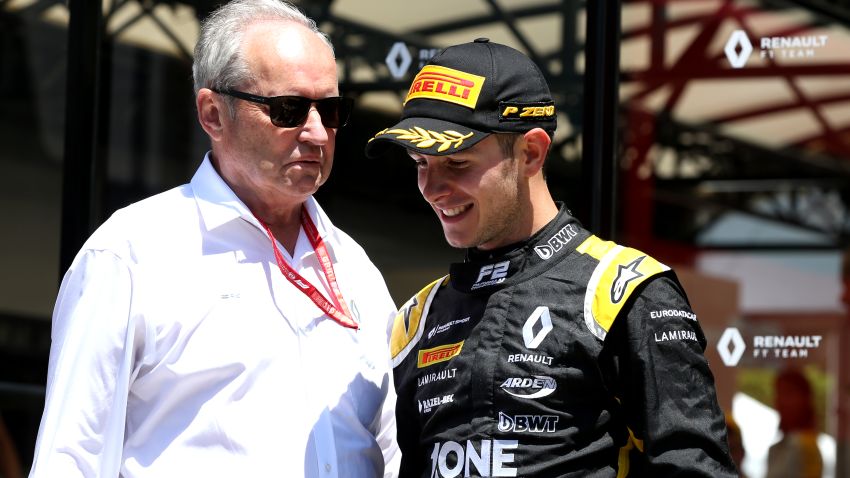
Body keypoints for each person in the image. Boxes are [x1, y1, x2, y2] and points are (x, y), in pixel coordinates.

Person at [29, 1, 398, 476]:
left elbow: (391, 449)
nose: (316, 133)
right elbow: (71, 458)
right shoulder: (131, 253)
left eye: (330, 110)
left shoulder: (357, 270)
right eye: (288, 109)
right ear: (213, 114)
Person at [365, 38, 737, 477]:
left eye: (457, 163)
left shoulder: (621, 290)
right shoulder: (418, 319)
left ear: (531, 153)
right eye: (420, 163)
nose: (432, 188)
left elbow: (693, 468)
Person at [766, 367, 823, 478]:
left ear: (805, 399)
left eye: (788, 393)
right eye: (779, 393)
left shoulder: (805, 446)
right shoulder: (779, 447)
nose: (781, 401)